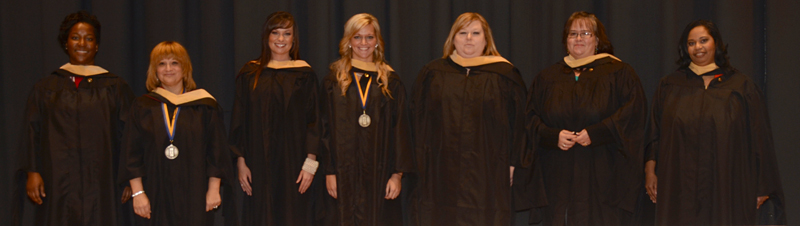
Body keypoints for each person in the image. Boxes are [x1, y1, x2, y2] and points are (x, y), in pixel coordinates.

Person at [644, 20, 786, 225]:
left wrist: (763, 186)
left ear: (716, 44)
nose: (697, 47)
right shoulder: (670, 85)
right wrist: (650, 172)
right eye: (691, 43)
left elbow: (760, 138)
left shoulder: (741, 86)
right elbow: (654, 134)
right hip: (679, 183)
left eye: (703, 41)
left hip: (727, 182)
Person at [525, 11, 647, 225]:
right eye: (573, 34)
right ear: (566, 41)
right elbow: (530, 118)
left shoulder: (619, 73)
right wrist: (552, 136)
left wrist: (598, 132)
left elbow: (633, 113)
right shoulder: (548, 77)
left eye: (585, 33)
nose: (579, 39)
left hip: (603, 171)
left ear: (598, 40)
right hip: (557, 171)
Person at [409, 12, 528, 226]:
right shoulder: (433, 73)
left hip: (489, 169)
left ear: (486, 39)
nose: (469, 39)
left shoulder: (505, 75)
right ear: (453, 38)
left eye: (475, 33)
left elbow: (519, 123)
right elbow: (418, 122)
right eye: (463, 33)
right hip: (441, 169)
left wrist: (513, 162)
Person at [20, 10, 135, 226]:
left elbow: (129, 134)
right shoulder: (46, 87)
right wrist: (33, 171)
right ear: (66, 43)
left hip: (103, 180)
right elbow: (32, 130)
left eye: (89, 38)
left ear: (97, 45)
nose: (82, 43)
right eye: (75, 37)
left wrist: (130, 176)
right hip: (58, 179)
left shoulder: (115, 87)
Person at [119, 41, 233, 225]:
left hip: (196, 194)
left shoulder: (204, 106)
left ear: (185, 67)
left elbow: (217, 151)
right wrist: (138, 193)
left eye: (175, 63)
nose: (168, 69)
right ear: (154, 70)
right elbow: (131, 153)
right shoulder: (142, 107)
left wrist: (213, 189)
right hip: (154, 194)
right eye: (161, 63)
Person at [319, 13, 414, 226]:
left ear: (377, 42)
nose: (364, 43)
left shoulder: (390, 81)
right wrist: (329, 172)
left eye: (369, 37)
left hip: (380, 175)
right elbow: (323, 129)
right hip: (342, 175)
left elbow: (400, 130)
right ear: (348, 41)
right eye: (357, 37)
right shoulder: (333, 80)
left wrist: (397, 175)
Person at [228, 11, 321, 226]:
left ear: (294, 38)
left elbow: (314, 120)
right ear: (266, 37)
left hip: (294, 164)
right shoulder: (250, 74)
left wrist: (310, 163)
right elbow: (238, 120)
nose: (280, 39)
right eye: (275, 33)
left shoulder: (304, 74)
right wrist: (241, 162)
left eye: (286, 33)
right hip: (257, 163)